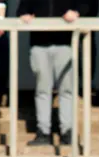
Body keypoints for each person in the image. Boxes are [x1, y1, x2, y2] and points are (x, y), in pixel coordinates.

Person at [17, 1, 82, 146]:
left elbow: (89, 5)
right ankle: (43, 132)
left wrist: (78, 12)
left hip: (65, 43)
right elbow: (22, 9)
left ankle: (67, 132)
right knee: (42, 90)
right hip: (39, 44)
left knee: (67, 90)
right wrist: (24, 15)